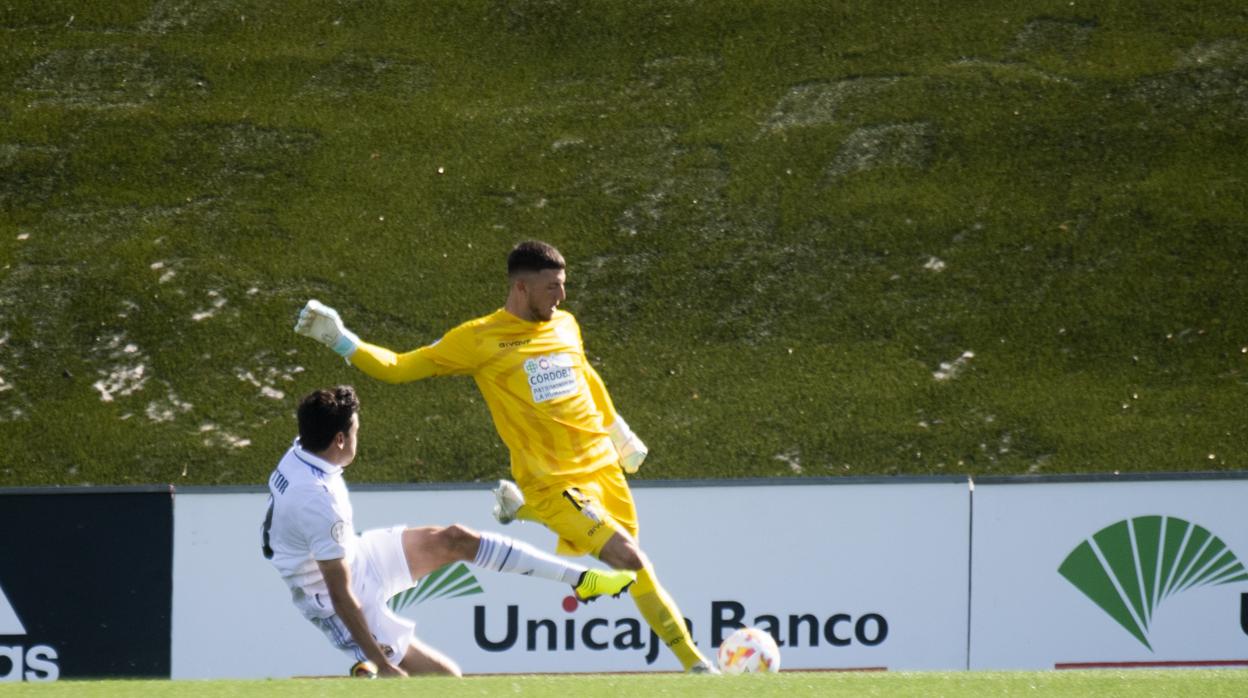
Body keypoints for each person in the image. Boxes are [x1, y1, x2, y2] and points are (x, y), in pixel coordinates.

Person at [293, 240, 716, 673]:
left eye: (563, 285)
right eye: (553, 287)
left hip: (602, 467)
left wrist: (618, 431)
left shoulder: (565, 324)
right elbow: (399, 367)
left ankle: (520, 510)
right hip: (554, 481)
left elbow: (586, 374)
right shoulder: (479, 339)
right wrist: (342, 340)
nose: (562, 296)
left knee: (635, 571)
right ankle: (697, 667)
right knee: (632, 559)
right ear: (521, 287)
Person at [261, 385, 635, 678]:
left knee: (455, 538)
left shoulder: (302, 447)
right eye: (355, 430)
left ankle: (580, 578)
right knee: (446, 682)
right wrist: (379, 662)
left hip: (355, 555)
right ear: (339, 440)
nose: (360, 436)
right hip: (333, 600)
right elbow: (342, 595)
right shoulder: (319, 501)